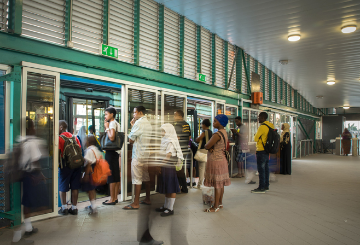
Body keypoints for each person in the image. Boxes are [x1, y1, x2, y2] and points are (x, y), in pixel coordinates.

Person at [11, 117, 47, 244]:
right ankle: (22, 231)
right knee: (36, 200)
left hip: (24, 175)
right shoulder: (31, 143)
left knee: (26, 201)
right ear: (30, 128)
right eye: (33, 126)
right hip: (32, 174)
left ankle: (28, 227)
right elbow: (35, 160)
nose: (35, 128)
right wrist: (40, 174)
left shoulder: (20, 140)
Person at [124, 106, 152, 210]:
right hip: (145, 155)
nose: (134, 114)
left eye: (135, 112)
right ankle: (147, 198)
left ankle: (135, 203)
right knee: (146, 177)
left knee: (137, 179)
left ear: (140, 112)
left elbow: (131, 139)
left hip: (138, 155)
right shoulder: (148, 123)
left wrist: (133, 126)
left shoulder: (139, 123)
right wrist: (133, 125)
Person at [203, 114, 231, 212]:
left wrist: (209, 147)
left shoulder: (217, 134)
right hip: (222, 160)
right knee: (221, 183)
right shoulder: (224, 132)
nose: (213, 123)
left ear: (221, 122)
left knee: (217, 185)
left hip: (216, 161)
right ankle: (220, 203)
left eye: (215, 121)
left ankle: (215, 207)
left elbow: (207, 145)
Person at [155, 124, 184, 217]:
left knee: (171, 186)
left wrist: (159, 165)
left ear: (168, 131)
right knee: (167, 186)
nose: (162, 132)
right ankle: (166, 206)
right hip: (165, 166)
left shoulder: (170, 142)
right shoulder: (165, 140)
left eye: (163, 131)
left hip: (168, 167)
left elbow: (168, 157)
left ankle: (170, 208)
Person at [58, 120, 82, 215]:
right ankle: (74, 208)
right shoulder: (75, 137)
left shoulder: (60, 138)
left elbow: (59, 153)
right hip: (77, 165)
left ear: (61, 127)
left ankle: (64, 208)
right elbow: (79, 150)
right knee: (75, 187)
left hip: (66, 166)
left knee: (63, 186)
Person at [252, 112, 274, 194]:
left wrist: (255, 135)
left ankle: (261, 188)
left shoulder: (262, 127)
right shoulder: (270, 126)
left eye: (259, 117)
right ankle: (266, 186)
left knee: (261, 170)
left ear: (263, 117)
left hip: (261, 150)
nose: (258, 118)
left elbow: (255, 138)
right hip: (267, 150)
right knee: (266, 169)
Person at [103, 107, 121, 205]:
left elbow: (112, 137)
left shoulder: (112, 123)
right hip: (116, 152)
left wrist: (106, 127)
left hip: (111, 151)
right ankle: (115, 197)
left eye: (106, 114)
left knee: (111, 175)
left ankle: (112, 199)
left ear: (112, 114)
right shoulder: (117, 123)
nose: (105, 116)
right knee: (115, 175)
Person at [82, 135, 102, 214]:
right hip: (96, 172)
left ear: (88, 142)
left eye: (86, 140)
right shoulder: (96, 149)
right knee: (92, 189)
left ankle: (94, 208)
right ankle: (92, 205)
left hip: (90, 172)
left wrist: (86, 175)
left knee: (89, 190)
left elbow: (88, 163)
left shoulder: (89, 150)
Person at [173, 110, 191, 193]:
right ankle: (182, 187)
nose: (174, 117)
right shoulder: (187, 124)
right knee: (179, 168)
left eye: (175, 115)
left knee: (178, 169)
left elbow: (177, 137)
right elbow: (189, 137)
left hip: (178, 150)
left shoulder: (178, 125)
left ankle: (182, 188)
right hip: (184, 149)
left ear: (179, 116)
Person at [195, 119, 212, 189]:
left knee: (201, 169)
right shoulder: (211, 132)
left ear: (204, 125)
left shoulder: (204, 132)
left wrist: (197, 138)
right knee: (207, 168)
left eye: (202, 124)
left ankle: (199, 185)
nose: (201, 125)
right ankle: (207, 183)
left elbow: (198, 139)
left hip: (203, 151)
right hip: (209, 151)